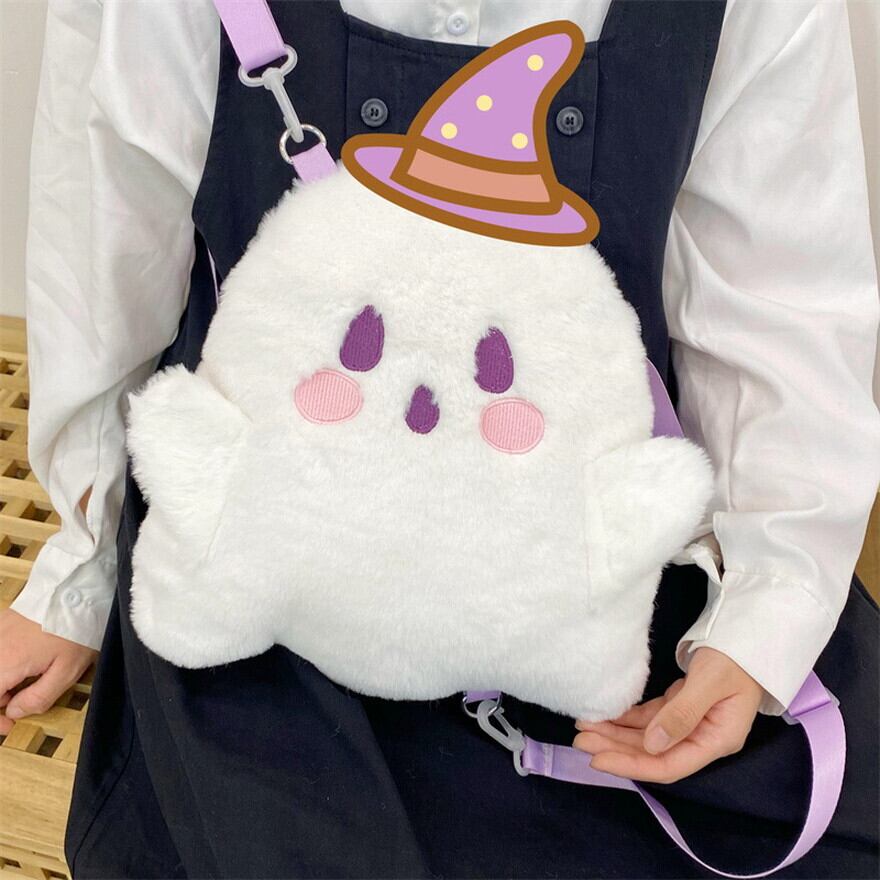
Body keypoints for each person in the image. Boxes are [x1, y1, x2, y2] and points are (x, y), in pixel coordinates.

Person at [1, 0, 878, 876]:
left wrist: (761, 613)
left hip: (596, 564)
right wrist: (82, 568)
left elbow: (778, 300)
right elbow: (110, 232)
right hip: (274, 580)